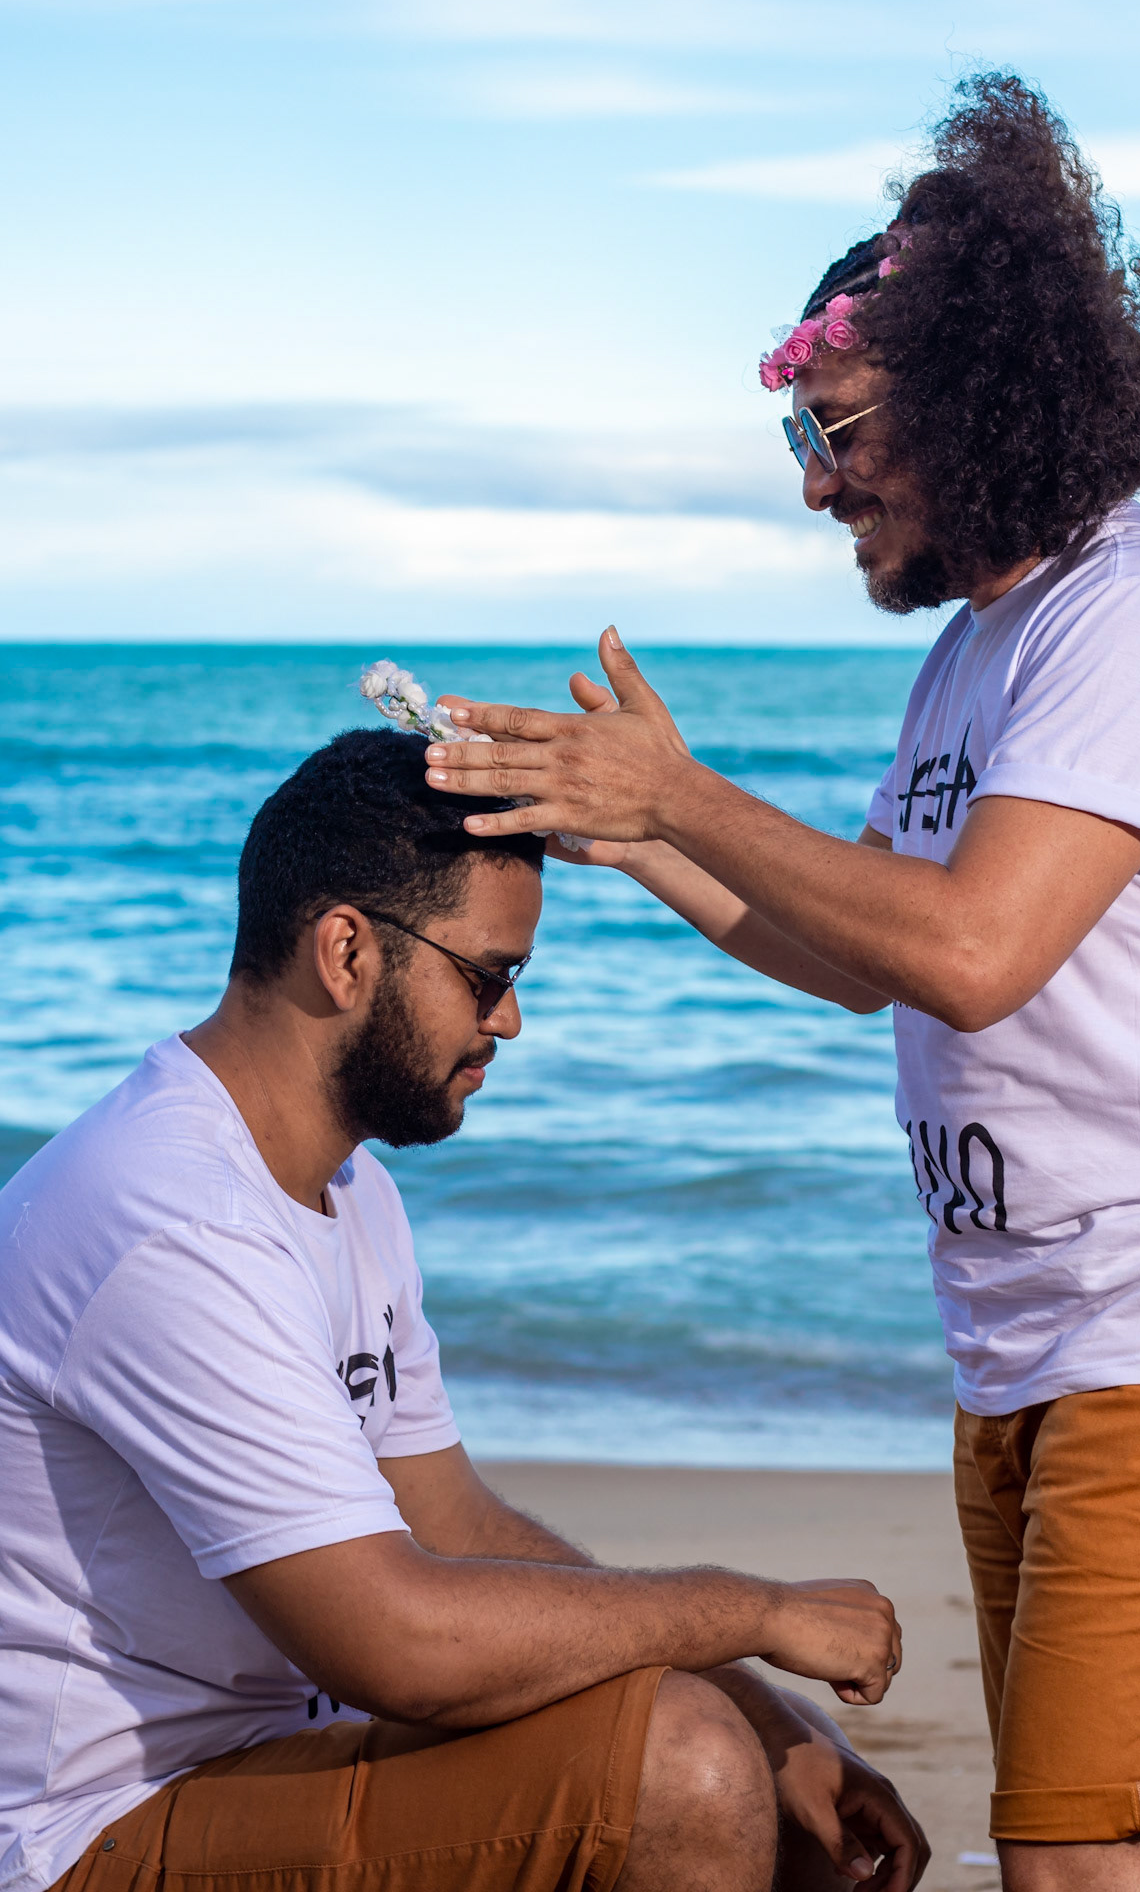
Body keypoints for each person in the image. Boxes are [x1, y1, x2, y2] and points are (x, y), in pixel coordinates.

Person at [420, 72, 1140, 1892]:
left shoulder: (1122, 609)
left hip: (1136, 1349)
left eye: (834, 432)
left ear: (975, 395)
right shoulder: (977, 651)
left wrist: (681, 792)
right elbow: (859, 957)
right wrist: (624, 828)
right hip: (1021, 1360)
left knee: (1075, 1856)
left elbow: (972, 952)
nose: (817, 483)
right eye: (800, 440)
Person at [0, 728, 929, 1892]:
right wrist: (754, 1611)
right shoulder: (172, 1217)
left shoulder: (346, 1186)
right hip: (90, 1827)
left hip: (266, 1756)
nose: (509, 1021)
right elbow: (399, 1642)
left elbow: (451, 1521)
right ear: (346, 950)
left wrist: (769, 1705)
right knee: (683, 1767)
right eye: (489, 975)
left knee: (758, 1768)